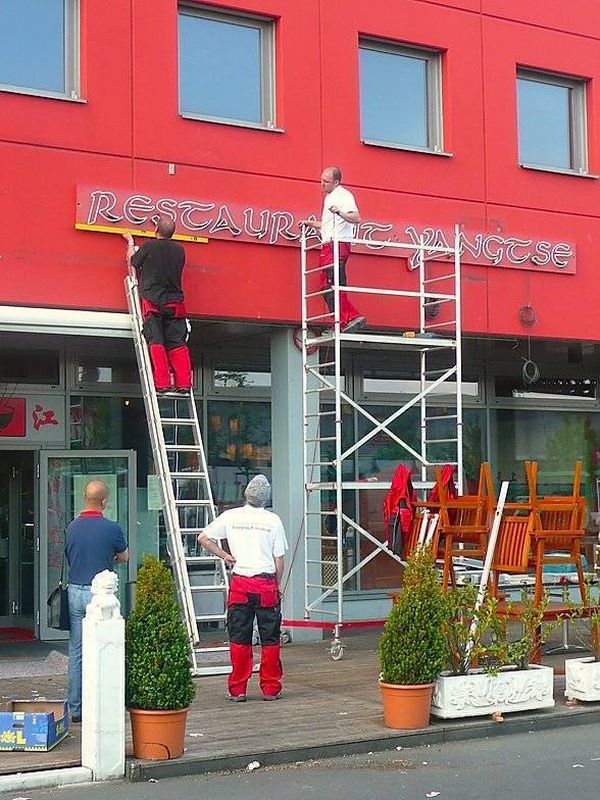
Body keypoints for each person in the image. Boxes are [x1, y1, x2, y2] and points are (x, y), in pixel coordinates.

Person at [197, 475, 288, 702]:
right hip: (266, 583)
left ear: (246, 494)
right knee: (270, 638)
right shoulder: (273, 520)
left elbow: (203, 538)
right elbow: (279, 560)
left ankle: (237, 689)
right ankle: (270, 688)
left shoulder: (231, 516)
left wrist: (226, 556)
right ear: (266, 498)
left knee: (239, 637)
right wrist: (276, 585)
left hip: (240, 583)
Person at [65, 480, 128, 723]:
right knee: (106, 648)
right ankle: (103, 703)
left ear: (84, 498)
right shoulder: (112, 528)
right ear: (104, 502)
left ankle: (76, 708)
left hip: (74, 592)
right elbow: (123, 555)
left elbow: (71, 556)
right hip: (100, 596)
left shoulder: (71, 527)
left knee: (77, 650)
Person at [123, 215, 192, 392]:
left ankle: (162, 383)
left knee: (156, 341)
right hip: (175, 303)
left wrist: (130, 243)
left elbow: (133, 262)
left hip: (153, 301)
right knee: (177, 343)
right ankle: (184, 383)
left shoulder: (149, 246)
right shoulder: (180, 250)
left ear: (156, 230)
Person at [301, 166, 364, 333]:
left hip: (337, 244)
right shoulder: (330, 197)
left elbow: (356, 218)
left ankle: (346, 319)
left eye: (326, 182)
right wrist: (311, 223)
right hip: (329, 243)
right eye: (321, 180)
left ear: (336, 182)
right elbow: (328, 225)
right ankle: (345, 319)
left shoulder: (343, 196)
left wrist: (340, 212)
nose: (322, 184)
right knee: (327, 285)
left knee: (332, 282)